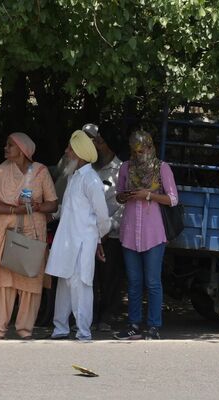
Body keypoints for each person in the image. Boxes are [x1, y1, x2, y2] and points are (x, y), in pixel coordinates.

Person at [0, 132, 58, 339]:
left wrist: (38, 206)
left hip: (33, 233)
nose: (5, 148)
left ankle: (25, 330)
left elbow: (52, 203)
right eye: (6, 144)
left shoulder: (41, 172)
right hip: (6, 232)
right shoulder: (0, 171)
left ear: (23, 149)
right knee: (3, 281)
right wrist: (13, 211)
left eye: (10, 145)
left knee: (30, 280)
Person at [46, 130, 111, 341]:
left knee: (81, 284)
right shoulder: (74, 177)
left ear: (80, 153)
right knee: (65, 282)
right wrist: (47, 212)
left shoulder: (91, 180)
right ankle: (61, 327)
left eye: (70, 149)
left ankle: (83, 331)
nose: (66, 152)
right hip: (67, 240)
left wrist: (97, 239)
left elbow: (102, 217)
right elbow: (68, 209)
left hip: (83, 241)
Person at [114, 130, 179, 340]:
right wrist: (124, 196)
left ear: (151, 148)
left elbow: (173, 199)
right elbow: (118, 195)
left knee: (152, 282)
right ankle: (133, 324)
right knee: (133, 282)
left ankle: (153, 326)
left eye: (143, 149)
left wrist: (148, 195)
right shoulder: (125, 167)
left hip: (154, 234)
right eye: (136, 150)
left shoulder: (162, 168)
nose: (140, 154)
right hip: (130, 232)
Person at [84, 124, 126, 332]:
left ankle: (107, 316)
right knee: (87, 277)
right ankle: (88, 316)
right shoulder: (87, 168)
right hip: (88, 232)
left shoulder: (122, 171)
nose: (95, 146)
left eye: (99, 142)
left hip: (111, 234)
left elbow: (124, 205)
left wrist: (109, 229)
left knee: (109, 277)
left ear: (110, 146)